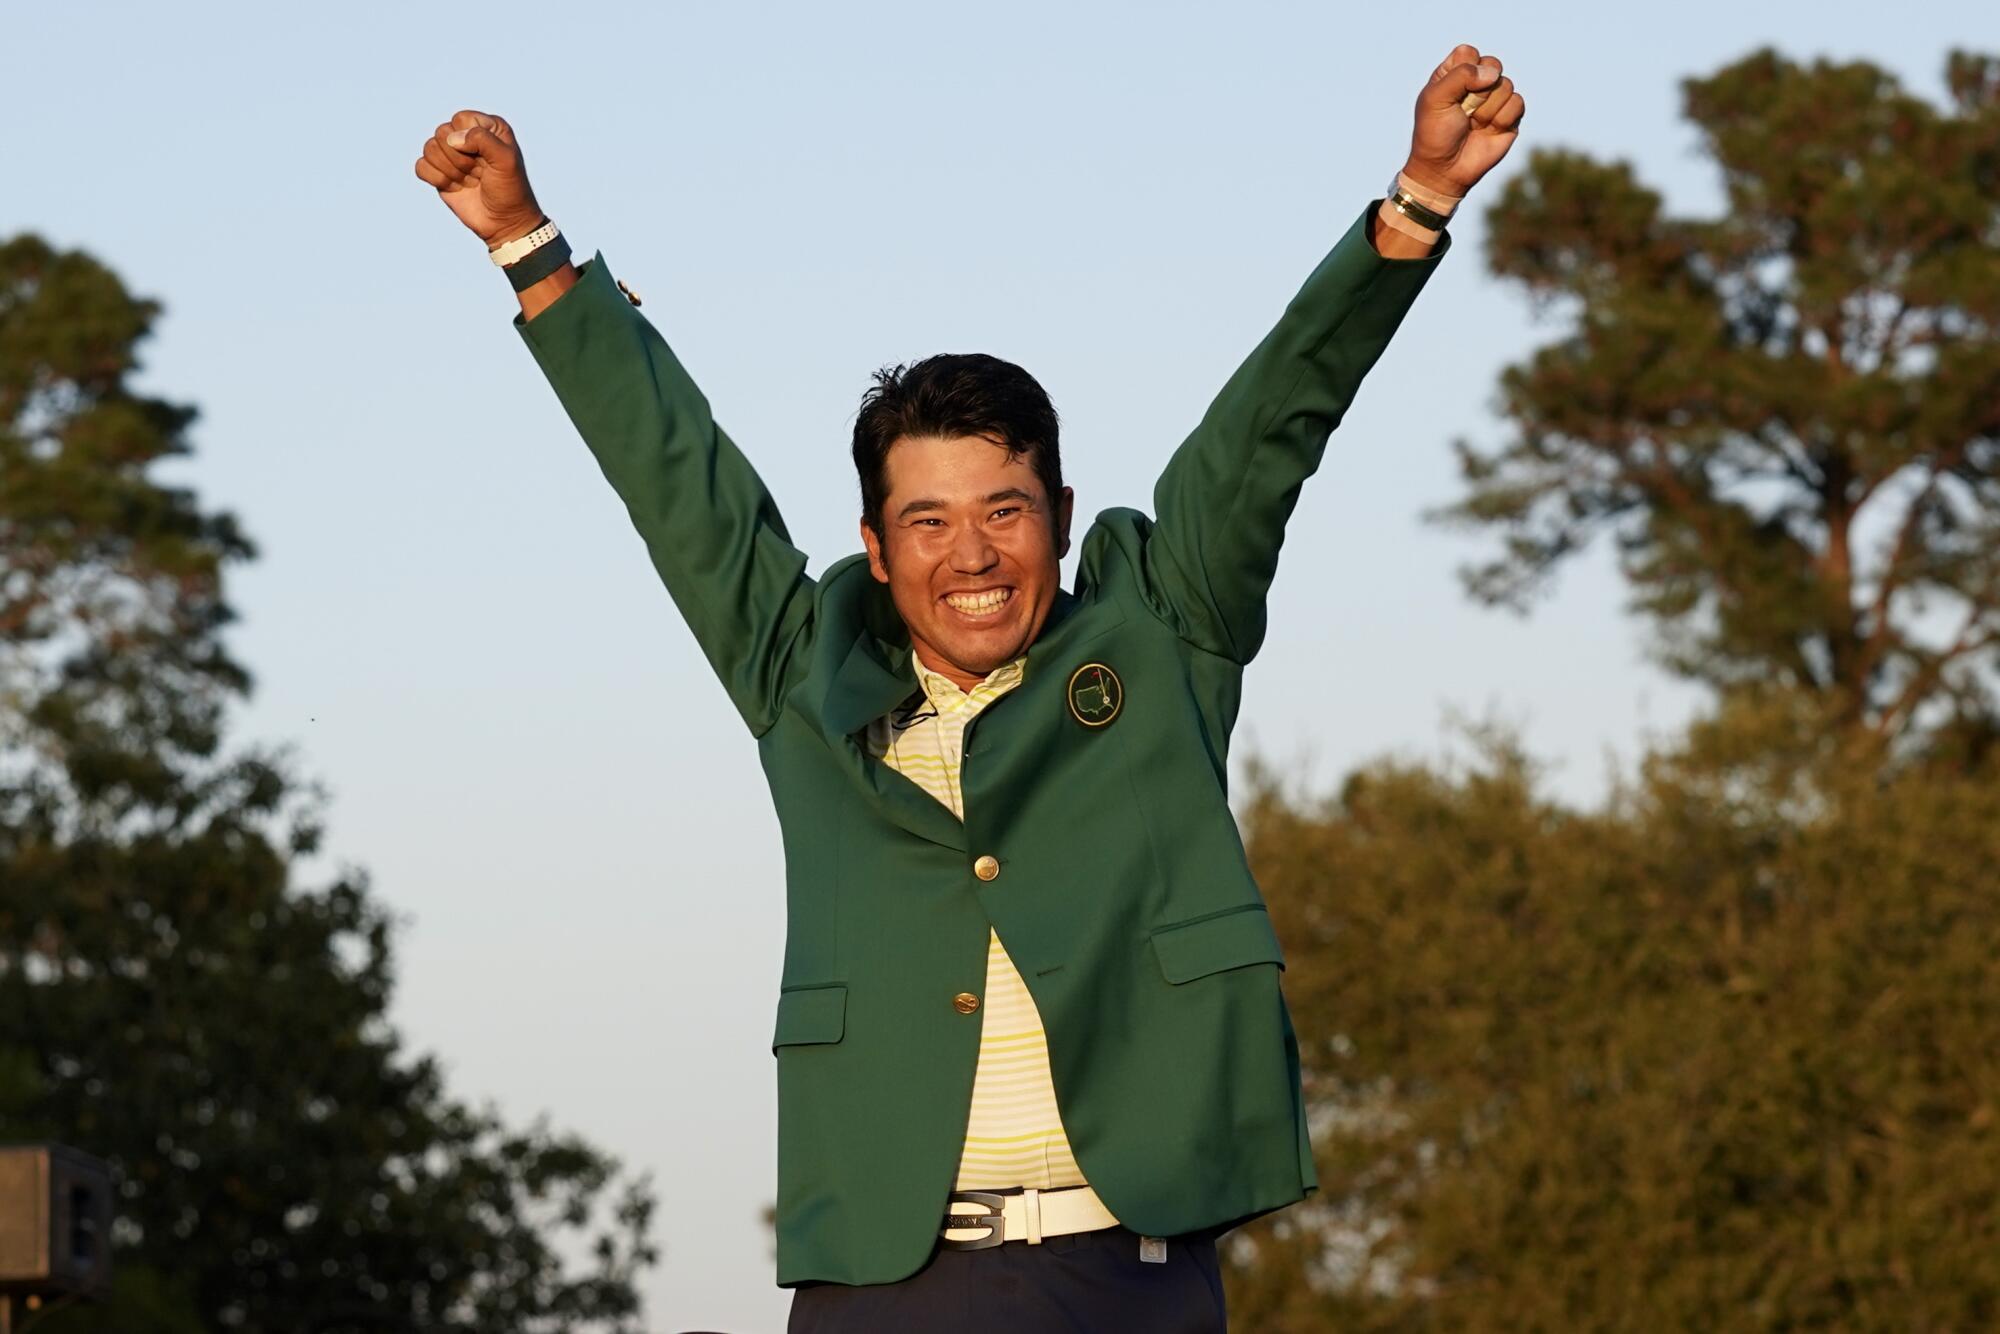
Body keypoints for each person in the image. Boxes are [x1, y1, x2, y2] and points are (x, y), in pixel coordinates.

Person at [414, 42, 1523, 1333]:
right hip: (885, 1281)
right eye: (928, 522)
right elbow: (679, 482)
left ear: (1057, 514)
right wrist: (529, 248)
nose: (973, 555)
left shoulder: (1164, 631)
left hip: (1128, 1274)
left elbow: (1276, 417)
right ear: (878, 551)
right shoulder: (800, 670)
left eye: (1005, 510)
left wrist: (1418, 204)